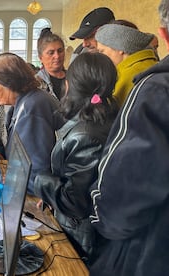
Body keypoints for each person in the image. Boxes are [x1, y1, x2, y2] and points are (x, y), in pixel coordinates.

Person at [89, 1, 169, 275]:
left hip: (150, 247)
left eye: (102, 51)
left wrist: (98, 220)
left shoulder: (142, 84)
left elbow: (127, 173)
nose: (99, 58)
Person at [33, 52, 119, 264]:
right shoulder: (104, 114)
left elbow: (74, 201)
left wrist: (41, 182)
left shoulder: (87, 135)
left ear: (71, 85)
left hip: (81, 235)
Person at [0, 52, 64, 195]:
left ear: (9, 82)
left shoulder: (33, 107)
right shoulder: (25, 102)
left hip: (37, 194)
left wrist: (11, 186)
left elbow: (36, 169)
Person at [95, 23, 158, 106]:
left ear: (119, 48)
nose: (100, 56)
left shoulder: (126, 78)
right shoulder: (153, 63)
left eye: (102, 51)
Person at [35, 28, 67, 101]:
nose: (57, 56)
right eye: (51, 53)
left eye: (60, 51)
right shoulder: (35, 83)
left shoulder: (74, 78)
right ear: (40, 58)